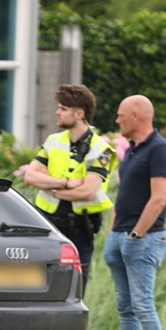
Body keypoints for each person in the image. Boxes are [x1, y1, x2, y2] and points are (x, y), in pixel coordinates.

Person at [103, 94, 166, 330]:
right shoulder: (132, 150)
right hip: (118, 238)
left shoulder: (160, 149)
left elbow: (158, 199)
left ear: (136, 115)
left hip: (143, 240)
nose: (117, 120)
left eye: (121, 115)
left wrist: (135, 235)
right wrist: (113, 234)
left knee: (143, 305)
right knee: (126, 309)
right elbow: (124, 195)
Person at [23, 84, 116, 293]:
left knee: (73, 292)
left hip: (79, 232)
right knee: (38, 291)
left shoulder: (101, 149)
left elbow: (86, 192)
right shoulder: (53, 141)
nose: (57, 112)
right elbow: (30, 177)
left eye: (63, 108)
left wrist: (49, 189)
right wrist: (64, 183)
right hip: (46, 228)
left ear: (79, 114)